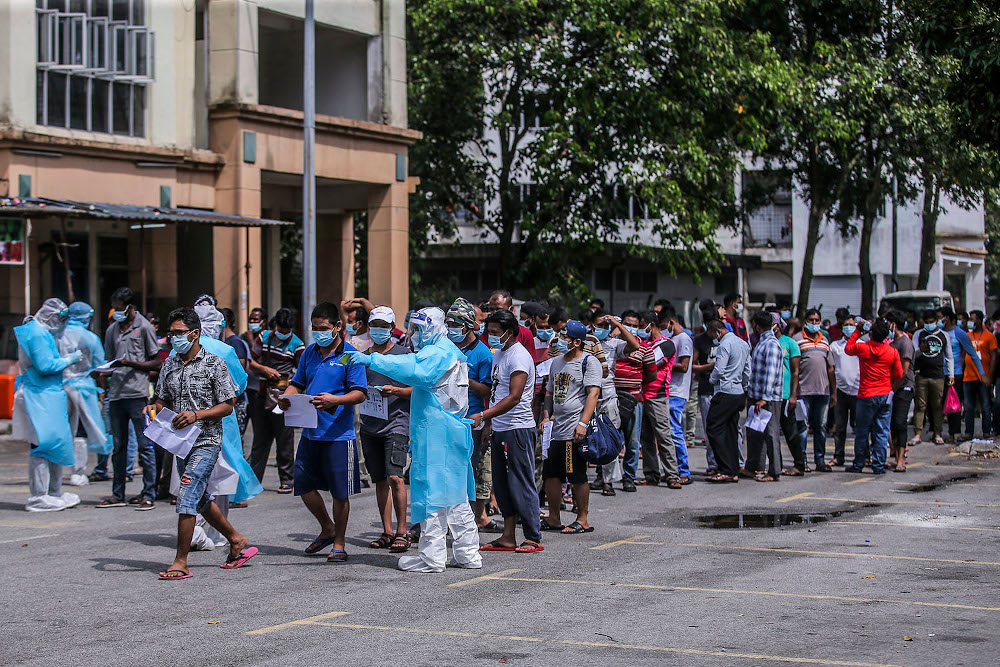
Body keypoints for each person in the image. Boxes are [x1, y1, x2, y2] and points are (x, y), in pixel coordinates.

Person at [349, 307, 483, 572]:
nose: (414, 335)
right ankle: (468, 554)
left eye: (418, 329)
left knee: (431, 493)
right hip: (450, 431)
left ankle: (432, 557)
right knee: (455, 497)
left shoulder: (437, 353)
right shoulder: (448, 350)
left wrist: (372, 360)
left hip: (437, 434)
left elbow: (414, 370)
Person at [144, 307, 256, 579]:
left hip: (207, 440)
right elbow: (163, 398)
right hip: (179, 443)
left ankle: (180, 561)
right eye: (170, 333)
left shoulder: (214, 363)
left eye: (179, 333)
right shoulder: (170, 363)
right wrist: (154, 408)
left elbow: (228, 406)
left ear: (195, 334)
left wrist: (197, 415)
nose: (173, 338)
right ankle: (237, 539)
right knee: (200, 497)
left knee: (186, 495)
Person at [281, 302, 367, 563]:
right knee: (303, 485)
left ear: (338, 327)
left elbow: (360, 393)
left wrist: (334, 400)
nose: (318, 333)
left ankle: (339, 543)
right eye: (315, 328)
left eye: (323, 328)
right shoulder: (309, 353)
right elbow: (297, 383)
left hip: (339, 436)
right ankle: (327, 527)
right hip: (310, 432)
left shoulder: (351, 355)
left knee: (340, 493)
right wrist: (286, 396)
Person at [472, 308, 542, 553]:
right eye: (488, 331)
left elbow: (514, 397)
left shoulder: (519, 357)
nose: (490, 336)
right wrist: (489, 425)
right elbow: (495, 393)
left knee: (521, 482)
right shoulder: (499, 354)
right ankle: (508, 535)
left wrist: (483, 416)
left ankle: (533, 536)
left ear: (509, 332)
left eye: (494, 332)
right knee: (501, 485)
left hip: (518, 429)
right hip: (500, 427)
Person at [13, 299, 82, 512]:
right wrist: (71, 358)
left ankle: (54, 492)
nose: (62, 323)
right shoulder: (36, 333)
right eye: (61, 318)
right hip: (38, 395)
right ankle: (38, 497)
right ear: (51, 315)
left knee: (55, 444)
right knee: (42, 446)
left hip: (47, 395)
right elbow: (45, 365)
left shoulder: (40, 332)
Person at [96, 287, 161, 510]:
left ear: (130, 306)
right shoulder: (112, 329)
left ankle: (148, 493)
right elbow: (108, 360)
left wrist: (130, 363)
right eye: (114, 307)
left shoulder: (143, 326)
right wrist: (103, 381)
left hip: (139, 394)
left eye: (120, 307)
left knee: (145, 445)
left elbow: (155, 362)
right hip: (116, 395)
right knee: (119, 446)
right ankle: (117, 494)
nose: (117, 311)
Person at [358, 306, 413, 553]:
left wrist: (396, 391)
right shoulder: (363, 357)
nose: (378, 330)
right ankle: (387, 531)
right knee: (379, 480)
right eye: (374, 325)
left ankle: (403, 531)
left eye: (383, 325)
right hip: (370, 425)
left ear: (392, 328)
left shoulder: (405, 354)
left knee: (395, 477)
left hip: (397, 424)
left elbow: (419, 388)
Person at [540, 320, 601, 532]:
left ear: (577, 342)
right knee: (551, 474)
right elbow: (549, 393)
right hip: (555, 430)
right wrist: (546, 416)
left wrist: (582, 423)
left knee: (575, 474)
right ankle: (554, 517)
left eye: (565, 337)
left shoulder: (589, 362)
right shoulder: (556, 362)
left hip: (574, 428)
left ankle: (582, 518)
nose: (560, 340)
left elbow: (593, 393)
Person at [446, 298, 498, 533]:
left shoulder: (483, 354)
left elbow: (489, 390)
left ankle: (477, 518)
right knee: (450, 470)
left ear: (467, 327)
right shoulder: (447, 347)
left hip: (473, 419)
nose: (451, 330)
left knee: (474, 470)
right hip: (447, 417)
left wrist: (464, 379)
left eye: (455, 325)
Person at [248, 307, 304, 493]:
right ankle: (253, 482)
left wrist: (287, 381)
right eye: (281, 329)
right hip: (262, 395)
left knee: (285, 441)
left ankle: (287, 480)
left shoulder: (297, 344)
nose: (284, 334)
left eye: (287, 331)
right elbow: (251, 362)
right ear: (275, 325)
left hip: (284, 398)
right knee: (260, 442)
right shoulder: (264, 338)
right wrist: (265, 370)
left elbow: (302, 372)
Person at [59, 301, 111, 486]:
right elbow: (101, 366)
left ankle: (58, 471)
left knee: (64, 430)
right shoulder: (90, 338)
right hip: (84, 389)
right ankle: (78, 472)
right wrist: (102, 389)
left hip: (59, 388)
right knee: (82, 429)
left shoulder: (57, 335)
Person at [588, 311, 639, 495]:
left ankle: (608, 482)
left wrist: (618, 326)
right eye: (598, 325)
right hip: (588, 396)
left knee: (609, 438)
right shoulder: (587, 343)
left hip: (608, 395)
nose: (601, 329)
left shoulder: (614, 344)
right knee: (589, 437)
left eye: (605, 326)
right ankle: (585, 480)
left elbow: (634, 345)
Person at [845, 318, 902, 474]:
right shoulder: (892, 351)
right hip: (884, 394)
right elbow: (899, 374)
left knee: (862, 431)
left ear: (871, 334)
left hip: (866, 394)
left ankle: (859, 463)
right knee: (882, 432)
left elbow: (848, 348)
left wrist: (858, 330)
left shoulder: (864, 348)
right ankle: (878, 465)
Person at [639, 310, 682, 488]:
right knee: (646, 438)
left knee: (663, 436)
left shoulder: (666, 344)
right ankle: (651, 474)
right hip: (642, 395)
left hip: (657, 395)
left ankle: (672, 475)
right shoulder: (644, 343)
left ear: (651, 325)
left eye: (642, 326)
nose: (641, 329)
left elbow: (651, 365)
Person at [705, 319, 750, 483]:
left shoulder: (724, 345)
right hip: (738, 392)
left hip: (724, 390)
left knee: (713, 428)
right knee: (731, 430)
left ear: (717, 331)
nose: (712, 338)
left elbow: (719, 368)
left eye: (711, 334)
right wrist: (744, 386)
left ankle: (725, 469)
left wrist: (711, 380)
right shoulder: (743, 344)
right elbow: (747, 370)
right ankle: (734, 468)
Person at [792, 309, 836, 472]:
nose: (814, 323)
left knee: (821, 427)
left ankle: (820, 460)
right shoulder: (797, 340)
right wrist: (794, 393)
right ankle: (802, 460)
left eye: (817, 320)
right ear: (806, 321)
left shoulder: (825, 341)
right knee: (802, 427)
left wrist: (833, 392)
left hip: (823, 391)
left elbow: (831, 368)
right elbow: (793, 367)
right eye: (811, 320)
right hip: (803, 391)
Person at [745, 311, 784, 482]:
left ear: (757, 325)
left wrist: (765, 397)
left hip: (768, 398)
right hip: (756, 396)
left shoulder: (771, 345)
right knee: (755, 432)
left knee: (770, 434)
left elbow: (771, 373)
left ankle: (774, 471)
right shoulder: (762, 342)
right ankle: (754, 467)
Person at [938, 307, 985, 443]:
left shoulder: (959, 333)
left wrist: (982, 374)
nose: (939, 320)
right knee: (937, 405)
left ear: (947, 318)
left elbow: (973, 355)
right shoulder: (938, 333)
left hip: (955, 374)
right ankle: (938, 432)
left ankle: (954, 432)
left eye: (941, 317)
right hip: (938, 373)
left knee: (953, 405)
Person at [909, 310, 954, 446]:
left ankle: (938, 433)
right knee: (920, 406)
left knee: (937, 406)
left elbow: (949, 356)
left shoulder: (943, 336)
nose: (929, 325)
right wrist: (920, 351)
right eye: (926, 322)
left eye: (931, 322)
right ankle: (917, 434)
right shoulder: (918, 334)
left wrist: (951, 375)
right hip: (921, 375)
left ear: (936, 322)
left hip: (938, 376)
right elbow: (913, 354)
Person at [615, 309, 646, 490]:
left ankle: (629, 477)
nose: (632, 328)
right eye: (628, 325)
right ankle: (606, 477)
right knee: (610, 439)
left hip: (634, 400)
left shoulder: (643, 347)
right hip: (613, 399)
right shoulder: (613, 344)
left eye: (635, 326)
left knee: (633, 442)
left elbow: (650, 373)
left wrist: (636, 390)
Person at [661, 308, 693, 485]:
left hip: (677, 392)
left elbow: (684, 366)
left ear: (671, 323)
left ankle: (684, 471)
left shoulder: (683, 339)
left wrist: (664, 362)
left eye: (664, 326)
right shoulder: (673, 339)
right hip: (669, 391)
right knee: (668, 434)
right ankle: (672, 470)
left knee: (675, 432)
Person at [883, 311, 915, 471]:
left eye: (888, 322)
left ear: (894, 324)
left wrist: (893, 390)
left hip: (903, 388)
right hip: (892, 388)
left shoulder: (905, 343)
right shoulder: (891, 343)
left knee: (900, 422)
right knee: (892, 424)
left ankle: (901, 459)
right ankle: (896, 456)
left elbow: (904, 372)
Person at [692, 309, 721, 475]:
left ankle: (728, 462)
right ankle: (712, 464)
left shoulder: (725, 338)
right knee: (709, 428)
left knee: (725, 428)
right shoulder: (700, 340)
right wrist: (708, 367)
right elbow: (693, 365)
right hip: (706, 389)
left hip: (723, 389)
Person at [828, 315, 860, 467]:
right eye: (846, 324)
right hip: (841, 391)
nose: (849, 327)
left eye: (851, 324)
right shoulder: (835, 346)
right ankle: (838, 456)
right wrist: (833, 392)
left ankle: (862, 456)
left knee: (859, 427)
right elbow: (832, 369)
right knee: (840, 427)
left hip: (858, 391)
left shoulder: (861, 345)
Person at [963, 309, 997, 439]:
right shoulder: (967, 336)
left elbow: (994, 357)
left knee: (986, 406)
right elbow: (963, 355)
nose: (970, 322)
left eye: (972, 319)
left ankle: (986, 432)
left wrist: (990, 377)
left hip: (984, 377)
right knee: (968, 407)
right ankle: (968, 432)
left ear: (979, 320)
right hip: (968, 376)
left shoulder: (990, 337)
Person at [219, 307, 251, 435]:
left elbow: (239, 376)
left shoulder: (235, 343)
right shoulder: (222, 342)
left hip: (234, 402)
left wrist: (231, 403)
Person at [242, 307, 266, 416]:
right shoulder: (242, 337)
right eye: (250, 319)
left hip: (259, 388)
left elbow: (261, 360)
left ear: (263, 322)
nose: (252, 322)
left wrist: (251, 341)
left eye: (255, 320)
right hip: (246, 387)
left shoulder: (266, 339)